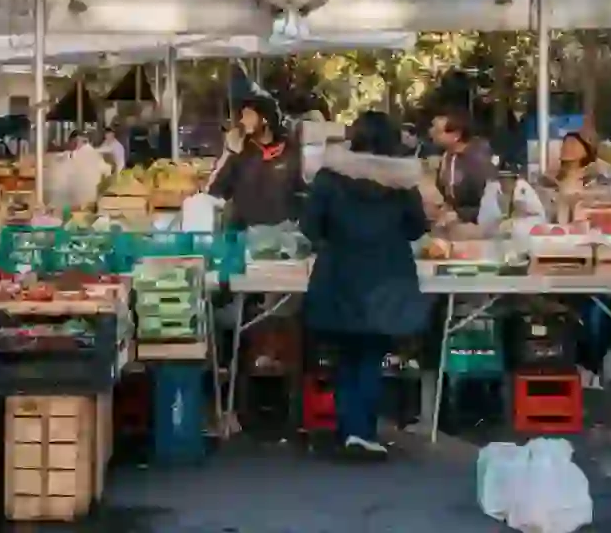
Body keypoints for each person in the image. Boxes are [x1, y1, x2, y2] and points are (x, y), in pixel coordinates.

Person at [302, 112, 427, 458]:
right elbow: (418, 227)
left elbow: (309, 226)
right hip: (387, 277)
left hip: (339, 274)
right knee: (371, 355)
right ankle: (363, 431)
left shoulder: (329, 177)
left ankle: (351, 431)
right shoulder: (400, 182)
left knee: (347, 356)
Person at [208, 96, 303, 229]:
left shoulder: (290, 151)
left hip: (282, 237)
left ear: (265, 119)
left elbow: (302, 191)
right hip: (246, 236)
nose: (242, 121)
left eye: (248, 115)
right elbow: (214, 191)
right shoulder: (240, 153)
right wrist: (229, 152)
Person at [429, 108, 496, 225]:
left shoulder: (478, 161)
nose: (431, 133)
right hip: (453, 225)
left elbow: (490, 204)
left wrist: (461, 214)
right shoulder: (447, 156)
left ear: (456, 135)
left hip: (477, 228)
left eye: (438, 131)